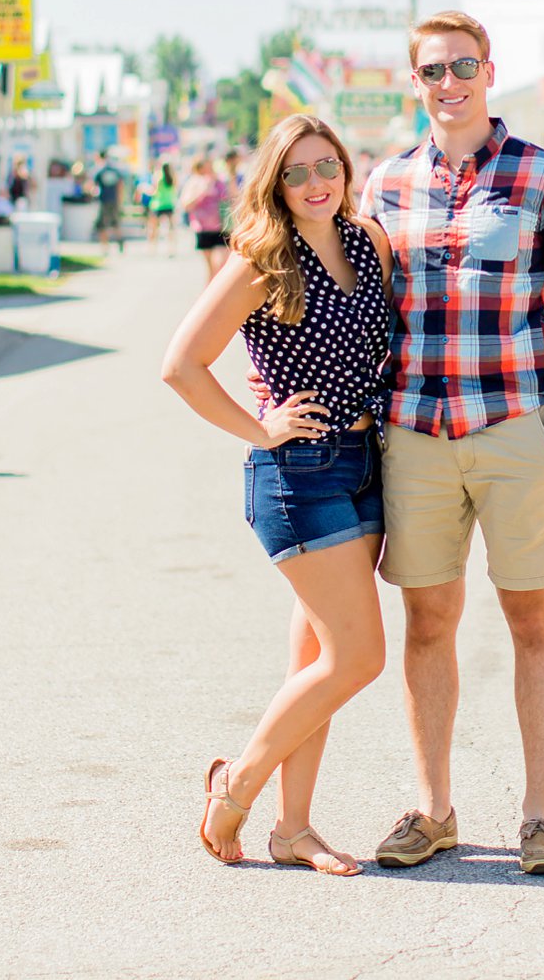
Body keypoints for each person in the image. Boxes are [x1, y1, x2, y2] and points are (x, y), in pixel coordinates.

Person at [254, 10, 544, 876]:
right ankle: (434, 806)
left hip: (517, 427)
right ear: (415, 83)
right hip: (411, 433)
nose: (448, 83)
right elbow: (329, 296)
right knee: (428, 621)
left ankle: (541, 813)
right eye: (431, 71)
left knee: (533, 618)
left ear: (489, 70)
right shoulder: (384, 186)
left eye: (462, 66)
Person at [162, 114, 395, 874]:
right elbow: (182, 364)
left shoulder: (370, 243)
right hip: (299, 473)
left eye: (326, 165)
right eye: (295, 172)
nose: (314, 182)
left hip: (365, 460)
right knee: (358, 656)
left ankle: (294, 829)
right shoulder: (263, 260)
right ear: (275, 183)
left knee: (317, 660)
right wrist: (259, 430)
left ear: (345, 168)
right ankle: (236, 787)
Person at [183, 157, 229, 276]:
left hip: (221, 227)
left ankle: (218, 290)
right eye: (206, 166)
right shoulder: (194, 182)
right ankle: (211, 290)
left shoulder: (219, 182)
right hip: (203, 228)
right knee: (211, 268)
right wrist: (202, 191)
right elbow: (186, 205)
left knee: (221, 263)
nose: (209, 169)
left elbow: (229, 199)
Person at [93, 151, 128, 252]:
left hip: (104, 200)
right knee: (115, 223)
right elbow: (121, 185)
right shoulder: (115, 170)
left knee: (102, 225)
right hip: (114, 200)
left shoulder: (99, 170)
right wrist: (120, 200)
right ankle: (120, 241)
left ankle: (105, 247)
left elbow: (94, 186)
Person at [148, 163, 178, 249]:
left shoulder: (158, 176)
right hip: (169, 204)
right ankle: (171, 247)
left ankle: (152, 247)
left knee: (154, 227)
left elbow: (154, 191)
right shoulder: (173, 177)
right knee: (171, 228)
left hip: (158, 205)